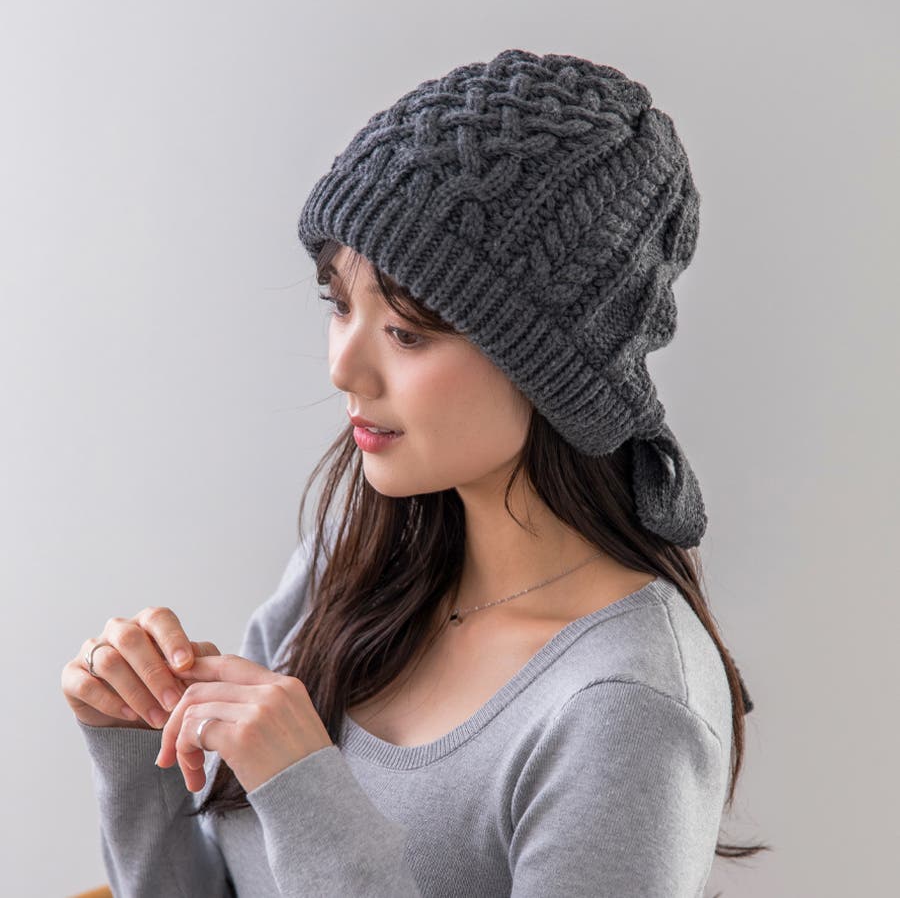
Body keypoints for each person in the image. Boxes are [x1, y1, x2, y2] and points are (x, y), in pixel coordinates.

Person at [61, 48, 767, 897]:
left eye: (408, 330)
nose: (343, 367)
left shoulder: (627, 704)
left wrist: (308, 795)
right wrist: (135, 746)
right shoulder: (351, 557)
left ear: (551, 365)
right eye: (339, 303)